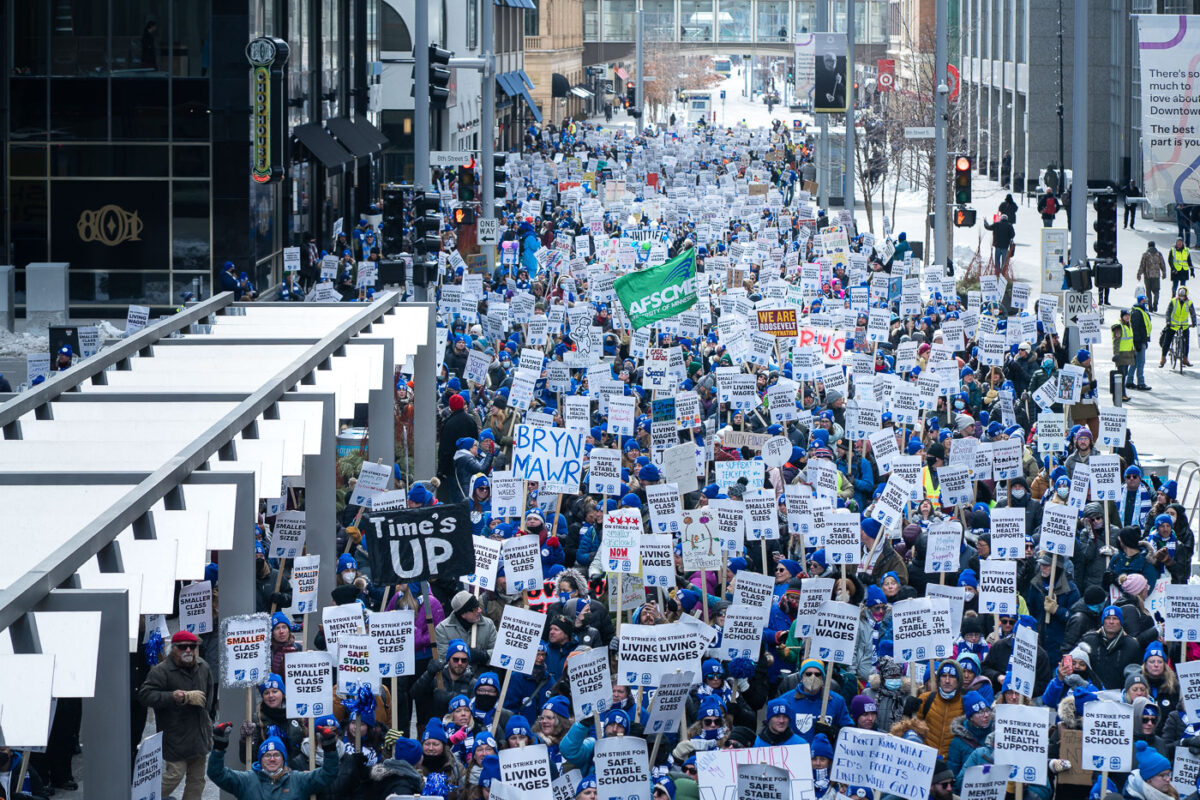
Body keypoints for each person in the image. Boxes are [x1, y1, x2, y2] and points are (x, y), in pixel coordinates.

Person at [136, 630, 216, 800]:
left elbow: (210, 697)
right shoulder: (161, 670)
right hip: (175, 736)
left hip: (198, 734)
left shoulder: (203, 666)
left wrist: (208, 724)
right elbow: (145, 695)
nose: (188, 650)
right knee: (174, 775)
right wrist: (173, 696)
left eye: (192, 646)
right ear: (173, 648)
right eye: (182, 647)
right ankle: (143, 797)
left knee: (197, 780)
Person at [207, 722, 341, 798]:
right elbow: (216, 773)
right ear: (260, 759)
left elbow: (328, 773)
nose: (272, 759)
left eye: (276, 755)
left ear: (283, 759)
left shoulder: (298, 780)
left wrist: (329, 748)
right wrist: (219, 746)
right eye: (267, 755)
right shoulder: (246, 780)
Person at [1161, 286, 1197, 368]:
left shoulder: (1189, 303)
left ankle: (1185, 358)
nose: (1181, 297)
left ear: (1186, 295)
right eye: (1180, 296)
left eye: (1183, 296)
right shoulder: (1173, 301)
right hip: (1173, 325)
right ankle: (1163, 358)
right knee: (1167, 340)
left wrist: (1194, 323)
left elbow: (1193, 313)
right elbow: (1168, 312)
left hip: (1184, 325)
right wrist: (1168, 322)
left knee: (1186, 341)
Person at [1130, 292, 1153, 390]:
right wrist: (1139, 342)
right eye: (1144, 301)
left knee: (1135, 362)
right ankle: (1140, 382)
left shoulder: (1141, 311)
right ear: (1139, 302)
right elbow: (1136, 329)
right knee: (1141, 362)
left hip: (1141, 340)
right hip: (1139, 341)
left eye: (1146, 301)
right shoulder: (1137, 312)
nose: (1145, 303)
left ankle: (1129, 381)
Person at [1139, 242, 1167, 312]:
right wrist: (1164, 273)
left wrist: (1139, 274)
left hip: (1147, 276)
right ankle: (1156, 304)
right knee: (1156, 291)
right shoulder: (1159, 254)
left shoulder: (1145, 254)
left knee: (1148, 292)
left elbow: (1142, 265)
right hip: (1156, 276)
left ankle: (1150, 307)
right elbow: (1162, 264)